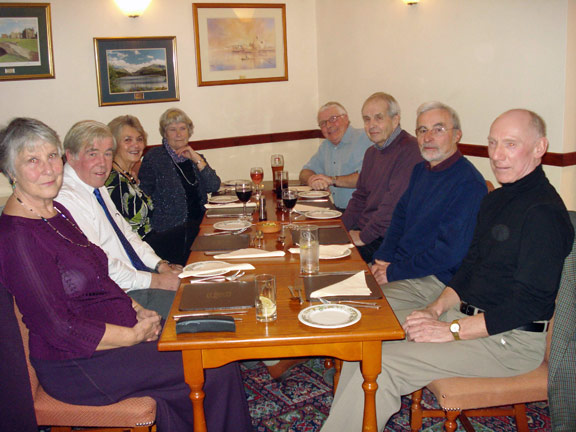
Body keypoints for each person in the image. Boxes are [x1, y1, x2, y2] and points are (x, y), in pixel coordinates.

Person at [320, 109, 574, 431]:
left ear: (540, 148)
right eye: (493, 143)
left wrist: (451, 331)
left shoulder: (543, 213)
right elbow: (468, 267)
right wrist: (434, 309)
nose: (496, 155)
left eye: (510, 145)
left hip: (510, 341)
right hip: (467, 318)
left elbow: (529, 306)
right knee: (370, 350)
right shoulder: (497, 201)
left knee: (382, 365)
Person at [0, 117, 252, 432]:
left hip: (112, 332)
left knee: (206, 348)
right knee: (212, 365)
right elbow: (57, 327)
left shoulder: (55, 213)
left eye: (51, 156)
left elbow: (100, 273)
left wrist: (137, 309)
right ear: (10, 170)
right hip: (76, 363)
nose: (48, 168)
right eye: (33, 160)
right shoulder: (17, 237)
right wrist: (133, 334)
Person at [56, 120, 180, 318]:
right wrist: (156, 281)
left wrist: (160, 265)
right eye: (92, 153)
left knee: (203, 291)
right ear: (70, 156)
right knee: (194, 308)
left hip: (135, 280)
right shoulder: (66, 199)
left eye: (107, 153)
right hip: (117, 296)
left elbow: (127, 235)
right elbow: (100, 265)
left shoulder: (96, 186)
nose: (103, 163)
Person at [370, 102, 487, 310]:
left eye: (438, 129)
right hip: (401, 268)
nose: (428, 137)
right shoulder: (420, 171)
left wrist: (392, 272)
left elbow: (448, 255)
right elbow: (399, 218)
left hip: (433, 280)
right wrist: (382, 259)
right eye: (422, 130)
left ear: (457, 135)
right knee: (339, 294)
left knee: (362, 311)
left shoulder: (468, 183)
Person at [342, 92, 422, 262]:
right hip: (366, 231)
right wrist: (340, 228)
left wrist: (363, 237)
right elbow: (360, 197)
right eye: (367, 119)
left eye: (378, 118)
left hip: (387, 239)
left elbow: (391, 207)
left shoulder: (410, 150)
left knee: (333, 266)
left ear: (395, 120)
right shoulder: (372, 153)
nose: (371, 125)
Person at [139, 108, 221, 266]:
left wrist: (197, 159)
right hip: (171, 233)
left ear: (189, 131)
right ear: (165, 133)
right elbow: (144, 195)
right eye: (172, 129)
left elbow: (214, 185)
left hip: (200, 227)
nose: (178, 134)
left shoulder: (194, 157)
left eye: (183, 128)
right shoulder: (154, 158)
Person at [299, 102, 372, 210]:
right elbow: (304, 172)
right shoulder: (326, 146)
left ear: (346, 118)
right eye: (323, 123)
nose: (328, 125)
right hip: (335, 210)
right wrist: (312, 180)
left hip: (362, 214)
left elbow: (365, 178)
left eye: (333, 119)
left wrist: (331, 180)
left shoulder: (364, 139)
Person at [106, 115, 154, 239]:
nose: (136, 145)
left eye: (139, 139)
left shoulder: (127, 175)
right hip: (137, 250)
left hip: (149, 242)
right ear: (114, 144)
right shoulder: (113, 181)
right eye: (128, 140)